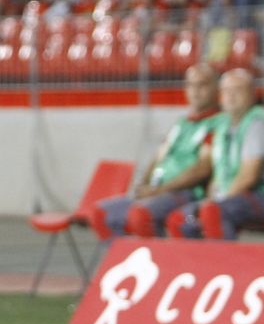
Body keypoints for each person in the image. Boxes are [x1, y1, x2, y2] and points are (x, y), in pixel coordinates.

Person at [91, 64, 220, 238]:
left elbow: (202, 169)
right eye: (190, 85)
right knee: (101, 213)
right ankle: (126, 262)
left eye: (202, 85)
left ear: (216, 87)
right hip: (157, 190)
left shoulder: (218, 123)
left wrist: (158, 191)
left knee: (141, 215)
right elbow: (159, 156)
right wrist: (144, 185)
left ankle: (160, 263)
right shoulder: (182, 123)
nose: (195, 91)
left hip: (187, 193)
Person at [170, 68, 264, 240]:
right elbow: (219, 173)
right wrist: (211, 199)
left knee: (212, 212)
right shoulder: (224, 125)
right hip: (235, 196)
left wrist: (216, 202)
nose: (231, 96)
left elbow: (248, 176)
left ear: (252, 95)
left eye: (238, 90)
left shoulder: (257, 124)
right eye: (226, 91)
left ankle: (223, 264)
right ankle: (195, 265)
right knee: (180, 219)